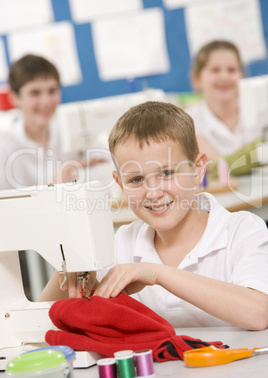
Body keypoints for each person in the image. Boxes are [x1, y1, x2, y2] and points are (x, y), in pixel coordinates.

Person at [40, 101, 268, 330]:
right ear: (120, 183)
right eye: (136, 180)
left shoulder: (242, 230)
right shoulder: (122, 243)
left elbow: (259, 314)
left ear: (198, 169)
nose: (154, 192)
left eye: (167, 173)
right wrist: (69, 264)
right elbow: (42, 321)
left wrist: (158, 274)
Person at [0, 54, 104, 191]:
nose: (46, 102)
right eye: (35, 93)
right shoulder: (5, 145)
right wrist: (52, 185)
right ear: (15, 98)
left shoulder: (70, 129)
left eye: (52, 91)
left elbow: (107, 159)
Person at [187, 40, 262, 162]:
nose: (224, 76)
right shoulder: (190, 122)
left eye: (231, 70)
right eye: (215, 70)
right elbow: (214, 164)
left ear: (241, 76)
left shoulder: (261, 108)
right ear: (197, 79)